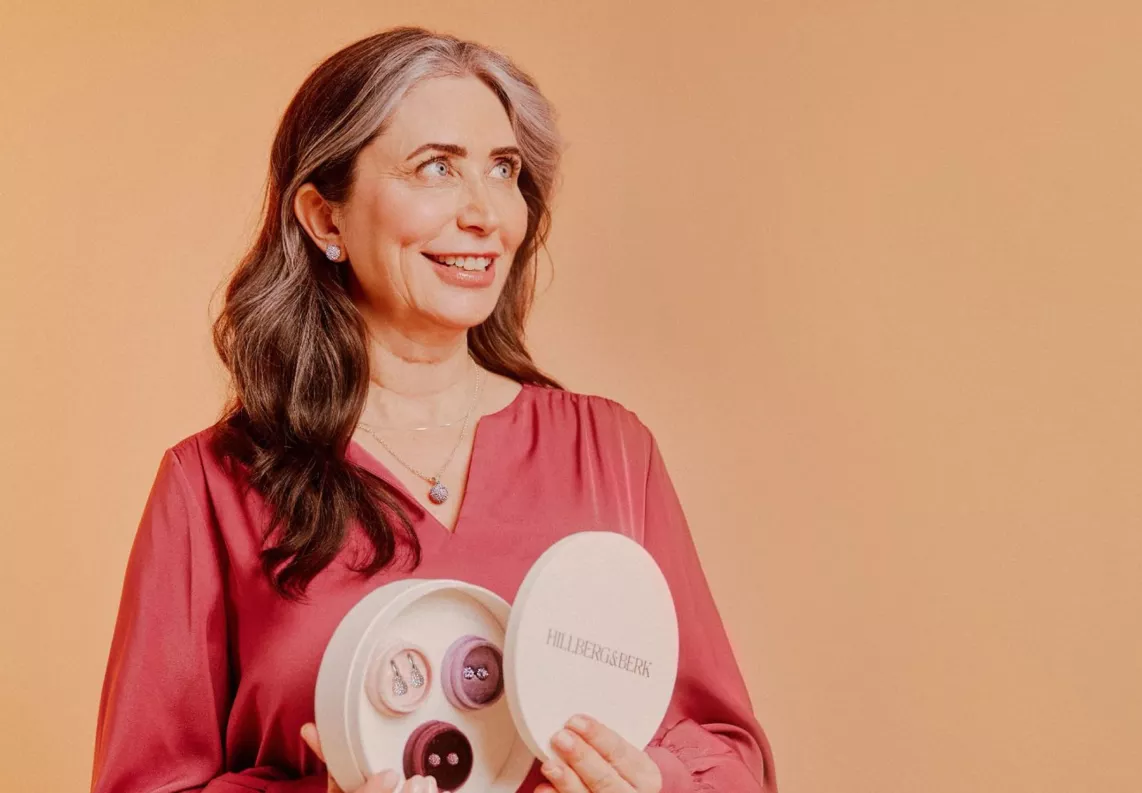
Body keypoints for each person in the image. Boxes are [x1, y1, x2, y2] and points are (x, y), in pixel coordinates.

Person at [89, 27, 776, 793]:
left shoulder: (611, 452)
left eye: (503, 169)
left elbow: (731, 754)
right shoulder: (211, 485)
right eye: (436, 168)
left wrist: (658, 785)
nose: (485, 213)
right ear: (325, 219)